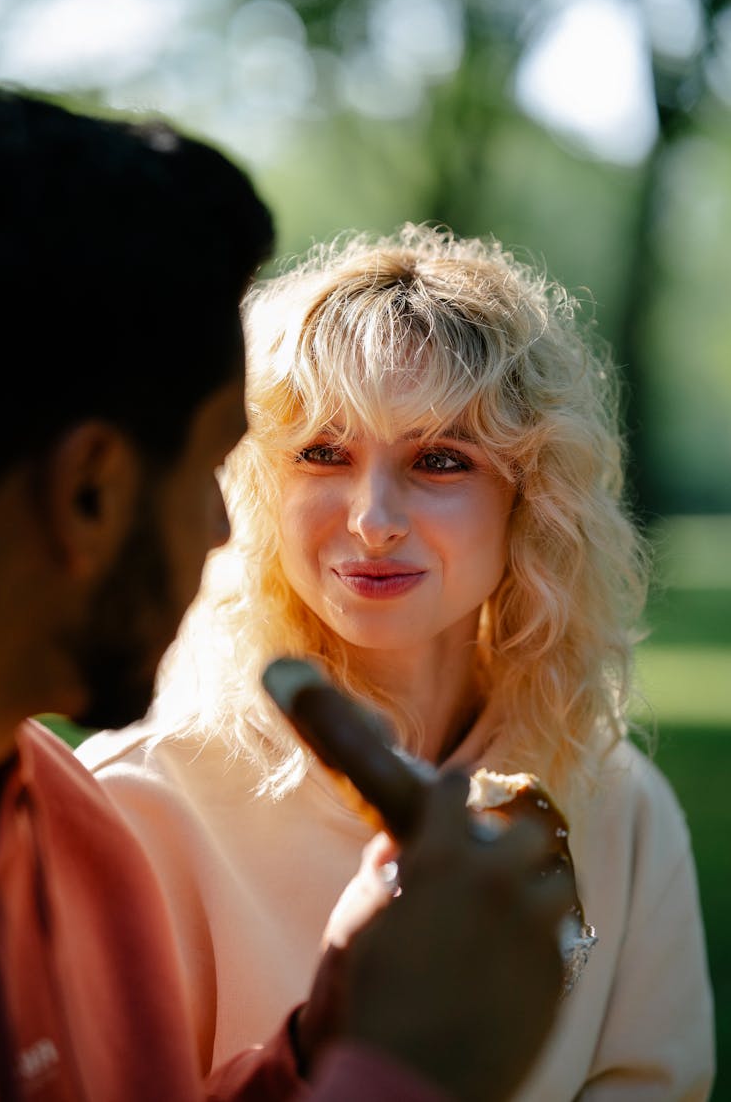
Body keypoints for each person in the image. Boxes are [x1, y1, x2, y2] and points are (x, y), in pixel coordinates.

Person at [0, 87, 573, 1102]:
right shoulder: (131, 807)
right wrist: (401, 1074)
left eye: (439, 459)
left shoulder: (73, 836)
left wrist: (325, 1041)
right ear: (90, 492)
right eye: (219, 465)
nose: (222, 532)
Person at [79, 222, 716, 1099]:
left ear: (533, 497)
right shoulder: (130, 806)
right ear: (256, 483)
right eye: (323, 454)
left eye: (440, 459)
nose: (374, 517)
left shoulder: (623, 806)